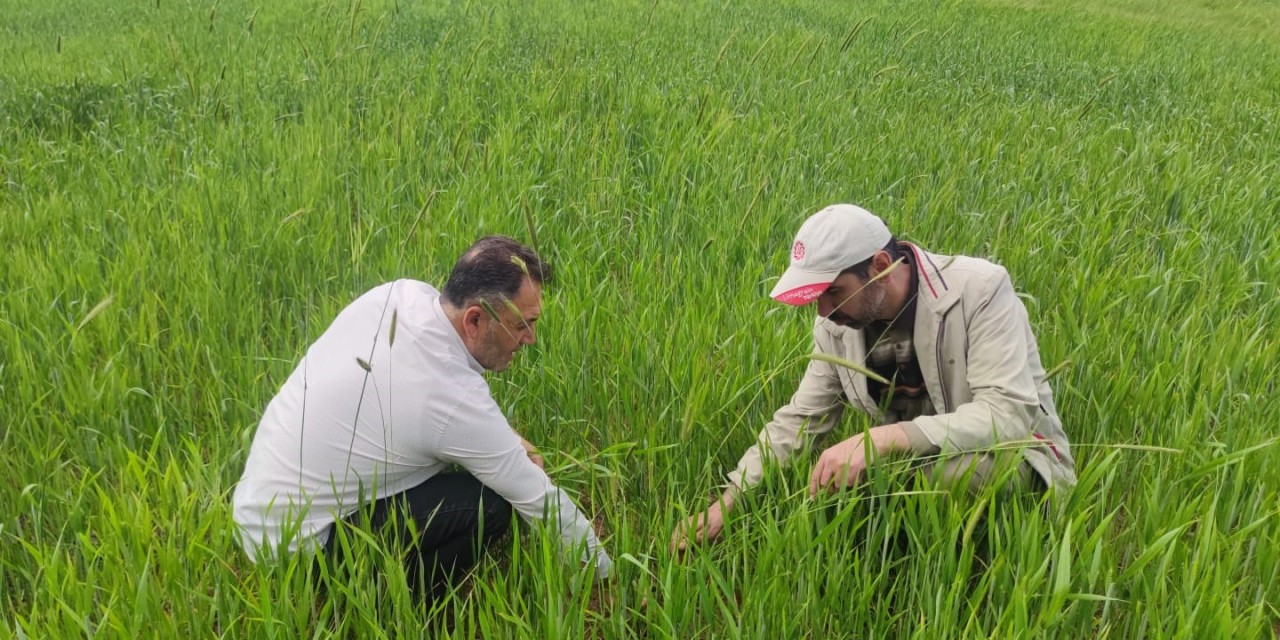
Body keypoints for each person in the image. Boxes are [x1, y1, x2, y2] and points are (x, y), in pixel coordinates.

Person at [672, 204, 1076, 550]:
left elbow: (1007, 416)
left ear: (881, 267)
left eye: (833, 291)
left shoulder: (980, 290)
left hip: (1014, 456)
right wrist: (728, 503)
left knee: (934, 478)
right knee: (838, 490)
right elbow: (799, 420)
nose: (822, 311)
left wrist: (880, 440)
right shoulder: (838, 324)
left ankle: (972, 570)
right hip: (909, 462)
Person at [233, 236, 611, 597]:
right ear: (475, 320)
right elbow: (537, 496)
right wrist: (610, 577)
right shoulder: (450, 399)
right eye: (521, 325)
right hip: (301, 553)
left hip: (259, 514)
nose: (530, 338)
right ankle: (386, 600)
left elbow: (443, 405)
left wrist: (506, 441)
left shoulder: (400, 294)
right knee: (495, 504)